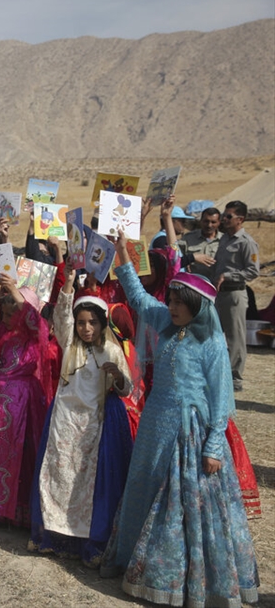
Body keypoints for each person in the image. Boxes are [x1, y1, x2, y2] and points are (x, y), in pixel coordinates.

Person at [103, 233, 259, 607]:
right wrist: (123, 253)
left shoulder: (212, 344)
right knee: (145, 485)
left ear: (197, 306)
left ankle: (179, 577)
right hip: (156, 423)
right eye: (171, 300)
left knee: (179, 504)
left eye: (178, 302)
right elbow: (139, 299)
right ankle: (135, 561)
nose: (171, 306)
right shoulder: (167, 323)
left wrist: (213, 446)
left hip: (190, 434)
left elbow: (221, 400)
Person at [28, 263, 133, 567]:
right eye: (82, 322)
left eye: (92, 323)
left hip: (95, 426)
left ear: (102, 324)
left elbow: (126, 390)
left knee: (89, 484)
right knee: (60, 477)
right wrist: (68, 287)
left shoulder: (112, 352)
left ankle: (91, 542)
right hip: (64, 421)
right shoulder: (69, 343)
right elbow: (61, 317)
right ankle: (55, 538)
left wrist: (118, 377)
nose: (86, 328)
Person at [0, 274, 50, 526]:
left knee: (18, 458)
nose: (8, 308)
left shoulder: (33, 333)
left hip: (22, 406)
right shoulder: (3, 332)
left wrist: (15, 291)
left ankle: (17, 511)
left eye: (14, 304)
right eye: (6, 304)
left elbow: (33, 317)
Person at [212, 200, 260, 392]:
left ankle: (234, 379)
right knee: (215, 335)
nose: (224, 218)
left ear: (240, 219)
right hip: (219, 294)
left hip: (235, 294)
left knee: (235, 338)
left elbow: (253, 271)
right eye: (224, 214)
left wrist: (228, 276)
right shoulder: (224, 239)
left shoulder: (246, 242)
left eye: (229, 216)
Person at [180, 207, 222, 279]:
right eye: (206, 221)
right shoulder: (188, 239)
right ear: (201, 221)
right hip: (194, 284)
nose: (209, 225)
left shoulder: (225, 240)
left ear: (219, 222)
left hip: (218, 286)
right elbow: (175, 259)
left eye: (213, 222)